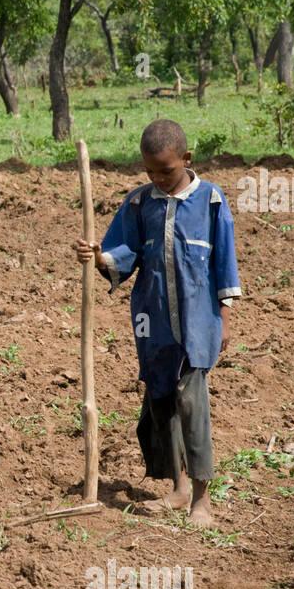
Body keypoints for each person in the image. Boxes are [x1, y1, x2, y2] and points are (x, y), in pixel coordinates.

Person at [72, 119, 241, 527]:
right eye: (150, 172)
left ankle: (202, 498)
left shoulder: (212, 202)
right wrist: (95, 257)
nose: (158, 179)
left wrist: (226, 317)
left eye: (166, 170)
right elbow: (120, 254)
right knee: (161, 399)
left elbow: (224, 263)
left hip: (199, 323)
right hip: (151, 320)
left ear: (186, 159)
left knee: (191, 401)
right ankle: (179, 487)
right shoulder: (138, 204)